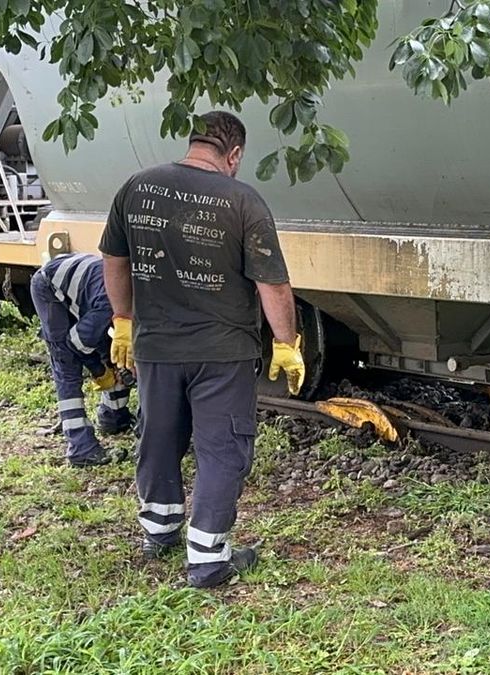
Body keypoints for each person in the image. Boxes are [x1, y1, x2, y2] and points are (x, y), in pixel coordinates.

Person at [99, 110, 305, 588]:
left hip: (155, 347)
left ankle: (159, 532)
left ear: (194, 142)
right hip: (222, 351)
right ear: (233, 154)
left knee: (159, 435)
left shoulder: (136, 187)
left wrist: (124, 321)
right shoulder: (243, 201)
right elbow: (272, 286)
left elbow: (114, 258)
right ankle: (209, 561)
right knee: (221, 448)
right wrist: (286, 344)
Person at [31, 252, 138, 467]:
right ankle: (81, 447)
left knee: (115, 351)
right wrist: (99, 371)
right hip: (49, 287)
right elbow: (76, 343)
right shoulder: (110, 305)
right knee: (67, 363)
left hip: (87, 289)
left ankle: (113, 418)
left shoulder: (138, 305)